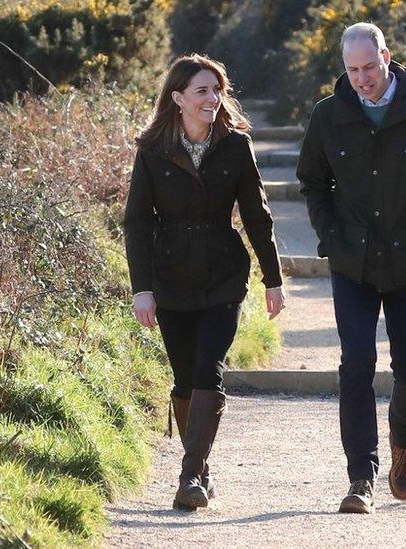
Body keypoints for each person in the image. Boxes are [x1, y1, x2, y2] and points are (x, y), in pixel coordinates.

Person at [296, 22, 406, 514]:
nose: (361, 79)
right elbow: (312, 182)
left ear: (387, 57)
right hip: (352, 263)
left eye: (368, 67)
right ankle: (360, 480)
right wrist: (332, 238)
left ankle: (403, 445)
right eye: (352, 70)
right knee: (355, 365)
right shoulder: (328, 116)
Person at [123, 54, 286, 511]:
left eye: (217, 90)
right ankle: (201, 467)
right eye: (202, 91)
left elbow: (257, 215)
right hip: (169, 274)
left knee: (208, 367)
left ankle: (190, 475)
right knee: (182, 378)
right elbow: (136, 222)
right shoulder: (153, 149)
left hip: (222, 274)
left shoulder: (235, 146)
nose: (212, 99)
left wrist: (273, 279)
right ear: (178, 98)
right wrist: (142, 287)